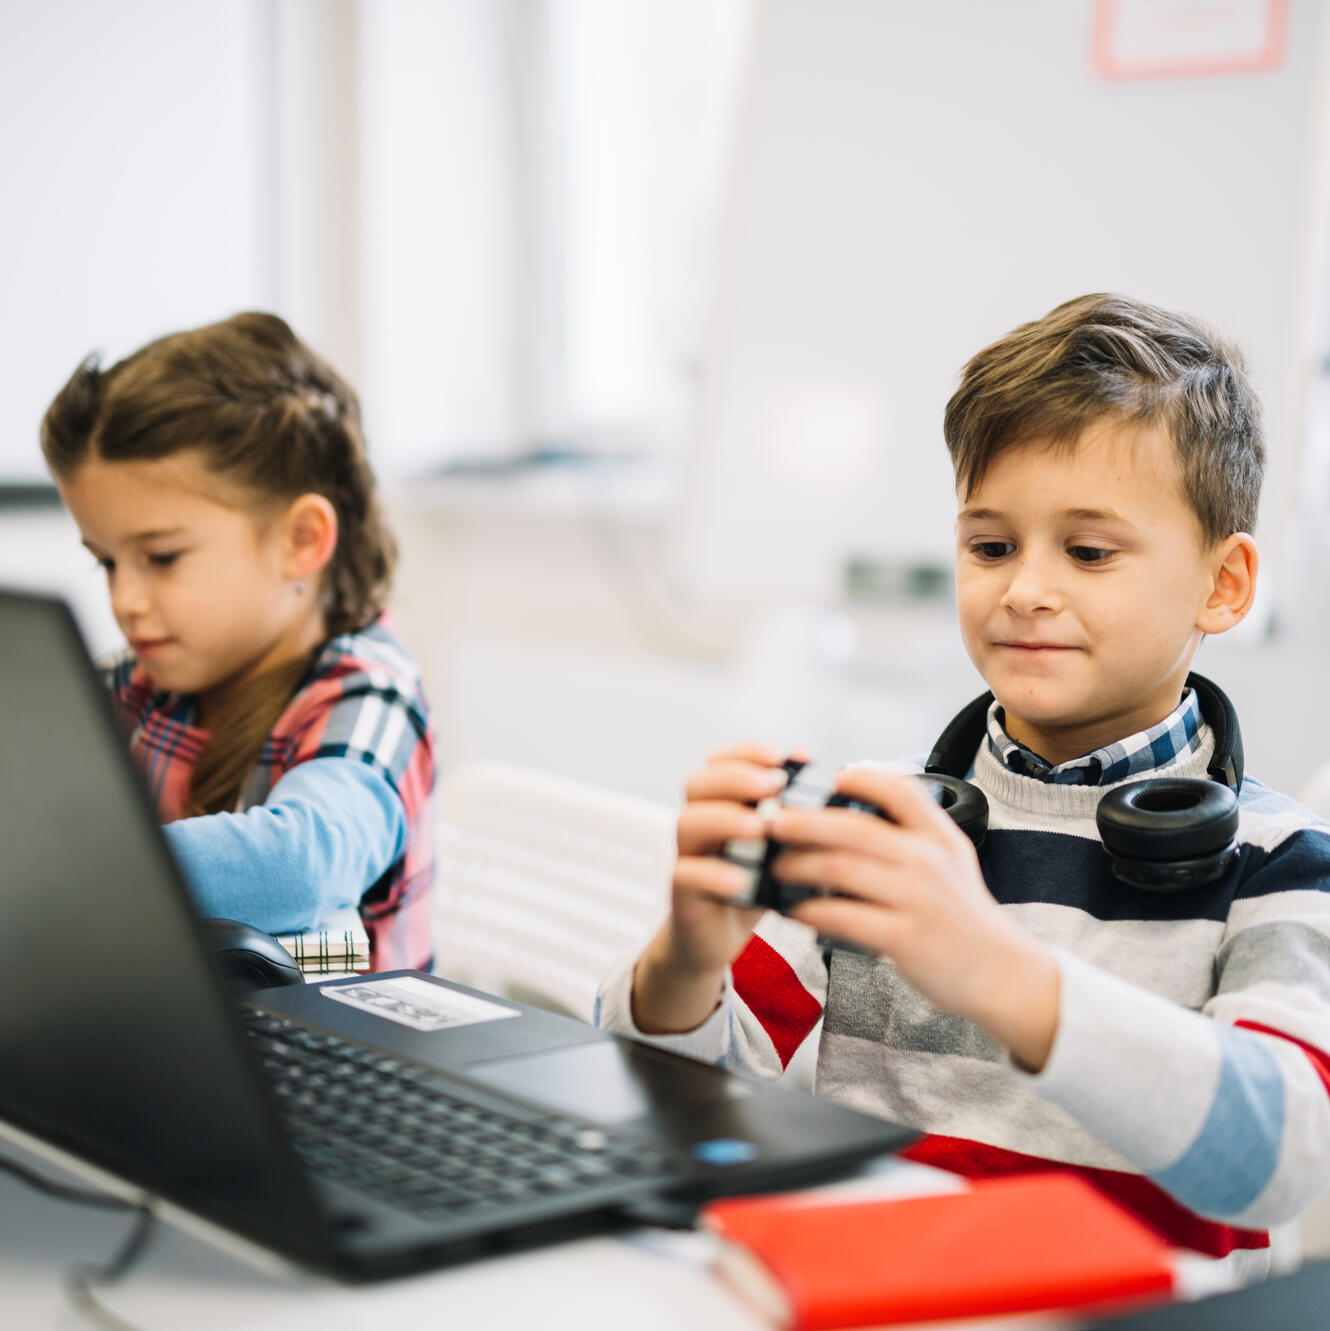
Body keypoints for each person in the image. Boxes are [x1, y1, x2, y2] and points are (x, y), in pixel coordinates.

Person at [596, 294, 1330, 1281]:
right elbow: (685, 1109)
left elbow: (1280, 1158)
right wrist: (684, 963)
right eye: (990, 546)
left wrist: (1000, 972)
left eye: (1088, 551)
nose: (1024, 590)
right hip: (884, 1294)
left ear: (1223, 583)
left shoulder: (1281, 863)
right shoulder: (883, 822)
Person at [40, 312, 434, 971]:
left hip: (336, 1031)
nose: (124, 600)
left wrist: (72, 861)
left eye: (162, 558)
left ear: (301, 540)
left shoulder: (372, 698)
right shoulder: (136, 683)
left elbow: (300, 865)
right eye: (106, 562)